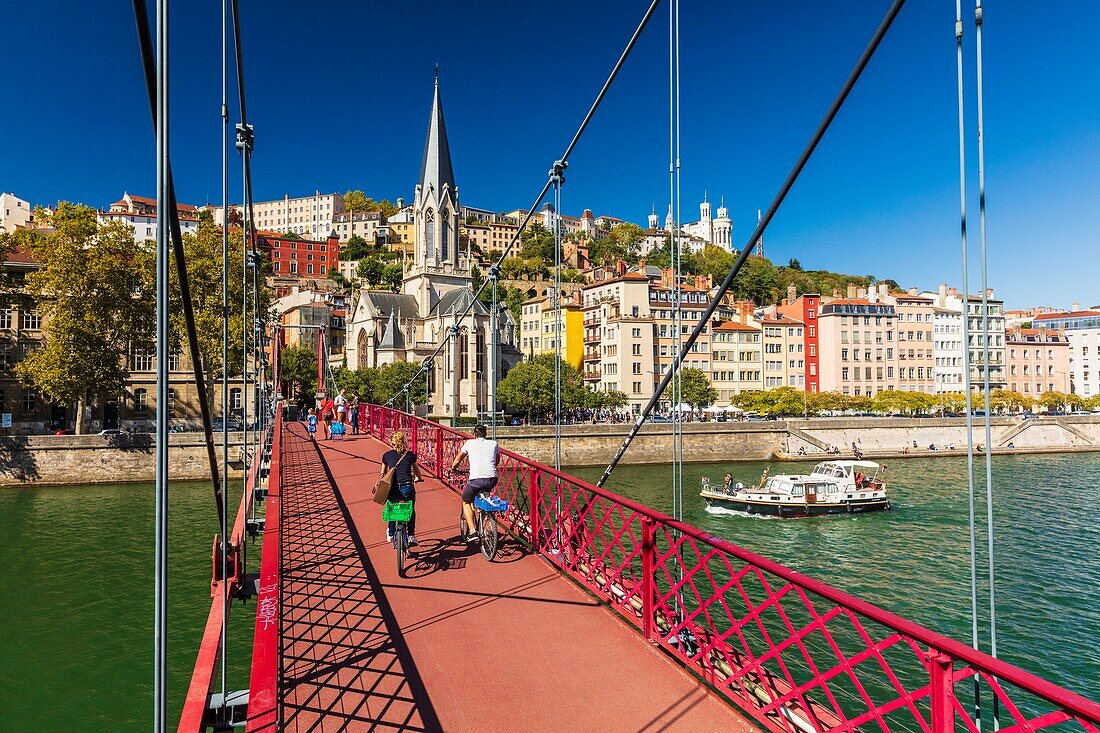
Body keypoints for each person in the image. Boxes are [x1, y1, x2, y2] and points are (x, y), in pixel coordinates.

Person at [450, 424, 500, 543]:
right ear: (486, 434)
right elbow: (496, 460)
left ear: (474, 434)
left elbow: (458, 459)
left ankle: (472, 532)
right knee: (484, 488)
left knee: (466, 501)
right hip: (492, 479)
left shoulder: (469, 443)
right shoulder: (494, 443)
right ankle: (485, 512)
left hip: (476, 480)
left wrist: (453, 468)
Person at [381, 430, 422, 545]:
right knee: (410, 509)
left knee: (392, 507)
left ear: (392, 442)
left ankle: (391, 532)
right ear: (404, 442)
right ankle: (411, 535)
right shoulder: (410, 455)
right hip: (407, 487)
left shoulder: (386, 455)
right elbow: (417, 472)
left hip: (393, 488)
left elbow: (383, 474)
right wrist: (418, 478)